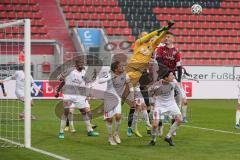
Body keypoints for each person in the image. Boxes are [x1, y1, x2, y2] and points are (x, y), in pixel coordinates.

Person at [58, 59, 99, 139]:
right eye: (80, 63)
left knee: (84, 112)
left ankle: (89, 131)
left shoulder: (84, 73)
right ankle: (61, 132)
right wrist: (62, 77)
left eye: (82, 63)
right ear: (75, 64)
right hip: (68, 95)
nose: (81, 65)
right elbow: (60, 78)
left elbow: (87, 83)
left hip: (79, 96)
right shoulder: (70, 70)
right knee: (66, 112)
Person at [98, 61, 133, 145]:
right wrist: (110, 77)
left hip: (117, 98)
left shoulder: (125, 75)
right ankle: (110, 137)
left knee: (118, 116)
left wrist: (132, 95)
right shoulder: (110, 74)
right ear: (115, 69)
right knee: (109, 119)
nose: (122, 67)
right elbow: (100, 81)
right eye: (120, 66)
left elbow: (129, 84)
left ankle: (116, 134)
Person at [148, 70, 182, 146]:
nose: (173, 77)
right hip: (159, 105)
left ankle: (168, 137)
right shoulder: (157, 84)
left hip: (171, 104)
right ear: (165, 77)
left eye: (173, 75)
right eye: (171, 75)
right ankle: (153, 140)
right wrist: (152, 101)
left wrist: (179, 103)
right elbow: (149, 91)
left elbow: (179, 92)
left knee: (179, 119)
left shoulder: (174, 83)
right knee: (155, 125)